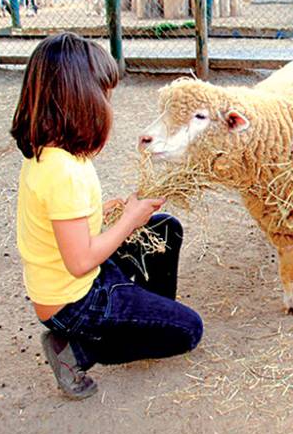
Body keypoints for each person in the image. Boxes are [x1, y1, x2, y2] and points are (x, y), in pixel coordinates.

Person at [11, 33, 203, 400]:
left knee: (164, 229)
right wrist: (128, 219)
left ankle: (140, 317)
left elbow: (59, 223)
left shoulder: (53, 154)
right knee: (189, 330)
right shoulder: (61, 171)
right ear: (79, 99)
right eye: (105, 95)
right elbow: (81, 260)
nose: (108, 105)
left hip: (75, 283)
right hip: (75, 302)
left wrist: (107, 211)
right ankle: (75, 351)